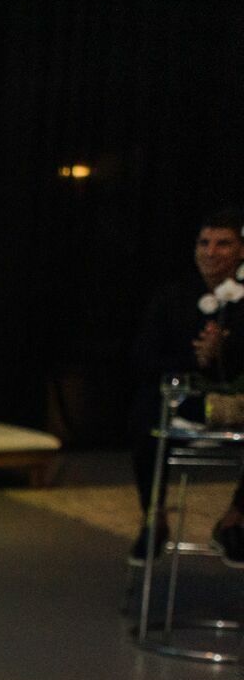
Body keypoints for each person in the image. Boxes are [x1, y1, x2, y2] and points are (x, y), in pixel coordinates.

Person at [129, 209, 244, 564]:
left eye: (223, 243)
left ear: (241, 250)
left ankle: (236, 519)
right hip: (188, 402)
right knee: (146, 407)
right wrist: (198, 359)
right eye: (204, 243)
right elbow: (144, 360)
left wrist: (227, 351)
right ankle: (155, 517)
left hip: (239, 403)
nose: (211, 252)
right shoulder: (171, 298)